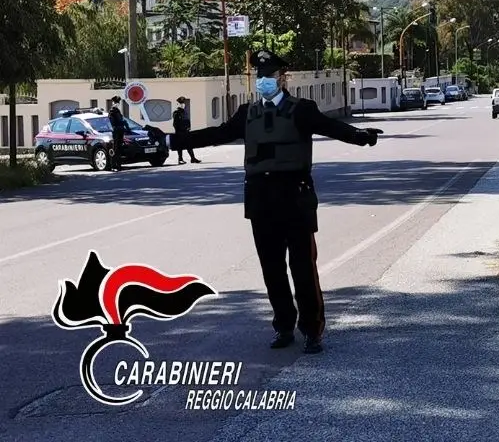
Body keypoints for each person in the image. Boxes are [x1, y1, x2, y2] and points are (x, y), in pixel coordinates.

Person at [152, 50, 382, 354]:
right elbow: (216, 135)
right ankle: (284, 326)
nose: (263, 81)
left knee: (302, 267)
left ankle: (312, 330)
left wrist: (361, 136)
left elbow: (332, 127)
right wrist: (171, 141)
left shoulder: (302, 109)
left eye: (269, 75)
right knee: (272, 269)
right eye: (259, 76)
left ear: (282, 78)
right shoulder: (247, 113)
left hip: (295, 198)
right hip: (261, 200)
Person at [172, 97, 201, 164]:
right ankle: (180, 159)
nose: (183, 105)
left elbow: (187, 121)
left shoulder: (185, 112)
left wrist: (188, 128)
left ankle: (193, 158)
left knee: (189, 145)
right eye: (181, 103)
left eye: (183, 103)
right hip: (180, 132)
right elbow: (175, 124)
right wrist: (179, 131)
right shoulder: (176, 113)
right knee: (180, 146)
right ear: (178, 104)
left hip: (186, 132)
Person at [107, 96, 127, 171]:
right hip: (116, 131)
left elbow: (121, 120)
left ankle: (118, 165)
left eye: (118, 102)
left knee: (119, 148)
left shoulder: (117, 110)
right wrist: (122, 122)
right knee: (115, 148)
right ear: (113, 103)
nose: (117, 104)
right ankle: (113, 166)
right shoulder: (112, 111)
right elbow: (114, 122)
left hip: (120, 131)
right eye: (116, 102)